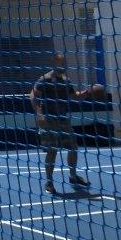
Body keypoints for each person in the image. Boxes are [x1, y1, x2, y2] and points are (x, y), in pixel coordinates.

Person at [30, 52, 103, 195]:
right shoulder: (45, 79)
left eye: (63, 63)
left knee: (73, 147)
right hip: (49, 120)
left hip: (63, 120)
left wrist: (88, 92)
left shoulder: (66, 81)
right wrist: (39, 113)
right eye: (59, 63)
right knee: (52, 151)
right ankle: (49, 182)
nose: (61, 66)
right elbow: (33, 95)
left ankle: (73, 176)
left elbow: (74, 96)